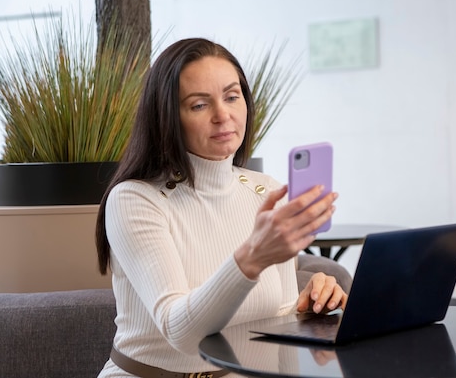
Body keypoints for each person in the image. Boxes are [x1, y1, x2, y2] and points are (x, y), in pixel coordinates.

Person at [95, 37, 346, 377]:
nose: (223, 115)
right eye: (199, 105)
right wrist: (253, 256)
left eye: (232, 96)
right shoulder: (135, 200)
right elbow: (181, 333)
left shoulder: (265, 191)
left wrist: (309, 310)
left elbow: (280, 328)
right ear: (167, 117)